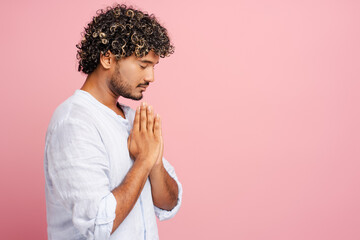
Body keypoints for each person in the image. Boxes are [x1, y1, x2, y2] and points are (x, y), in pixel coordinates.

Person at [44, 4, 182, 240]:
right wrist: (144, 161)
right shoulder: (74, 123)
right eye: (143, 65)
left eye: (153, 66)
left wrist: (154, 162)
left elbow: (169, 204)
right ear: (107, 58)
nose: (151, 77)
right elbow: (99, 225)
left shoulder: (130, 119)